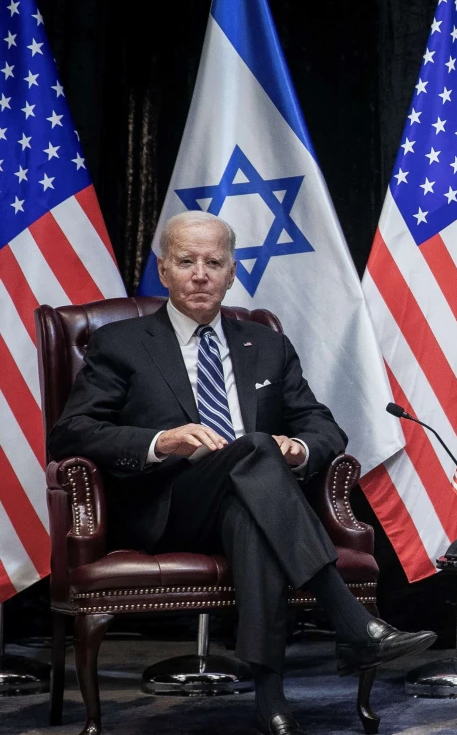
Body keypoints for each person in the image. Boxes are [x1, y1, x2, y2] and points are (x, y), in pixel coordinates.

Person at [49, 212, 437, 735]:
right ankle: (349, 620)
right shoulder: (121, 343)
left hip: (254, 501)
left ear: (232, 273)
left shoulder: (267, 344)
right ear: (163, 271)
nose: (200, 274)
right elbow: (71, 432)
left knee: (251, 495)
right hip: (168, 506)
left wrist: (296, 449)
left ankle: (270, 698)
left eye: (214, 263)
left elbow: (321, 426)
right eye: (186, 262)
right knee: (254, 452)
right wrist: (160, 441)